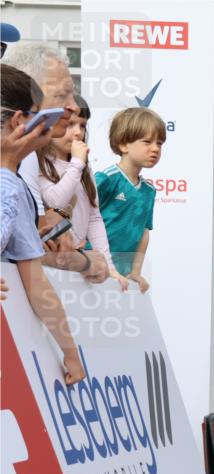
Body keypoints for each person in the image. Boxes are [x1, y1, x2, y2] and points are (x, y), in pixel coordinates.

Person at [1, 64, 84, 383]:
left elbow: (35, 281)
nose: (69, 109)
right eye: (42, 114)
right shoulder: (12, 180)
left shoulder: (16, 184)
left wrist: (70, 351)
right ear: (20, 122)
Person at [34, 93, 128, 291]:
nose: (78, 132)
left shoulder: (84, 168)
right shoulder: (40, 163)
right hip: (51, 262)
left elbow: (94, 217)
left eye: (83, 126)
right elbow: (56, 200)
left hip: (77, 260)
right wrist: (77, 163)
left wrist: (108, 266)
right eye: (70, 124)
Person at [95, 107, 166, 292]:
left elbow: (144, 232)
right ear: (123, 144)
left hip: (122, 276)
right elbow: (83, 219)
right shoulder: (106, 179)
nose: (155, 149)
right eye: (147, 142)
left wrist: (135, 271)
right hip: (93, 270)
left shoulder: (149, 190)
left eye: (159, 143)